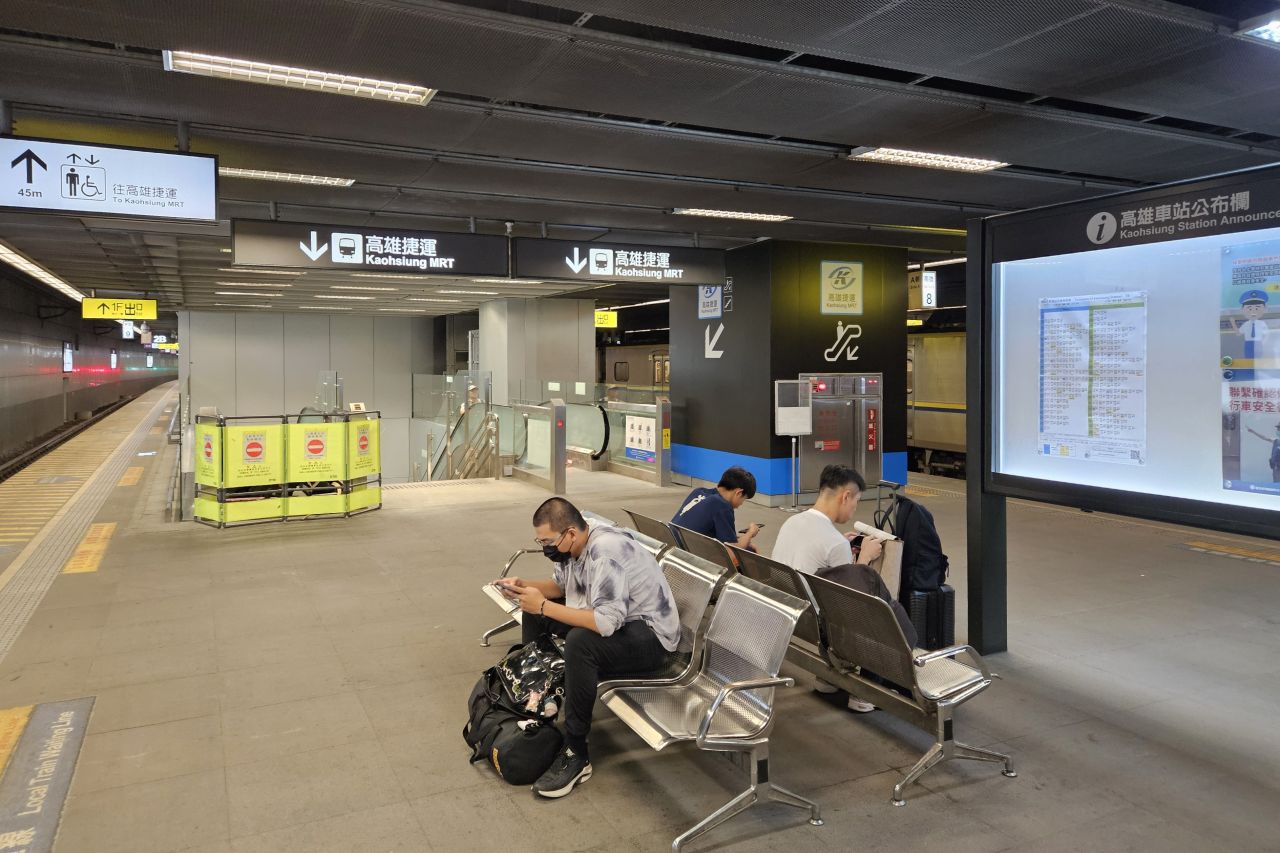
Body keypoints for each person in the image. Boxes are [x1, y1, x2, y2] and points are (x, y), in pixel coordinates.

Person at [495, 497, 680, 798]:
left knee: (580, 644)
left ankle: (576, 752)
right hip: (619, 625)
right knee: (534, 608)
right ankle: (535, 698)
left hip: (651, 640)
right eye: (539, 541)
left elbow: (605, 623)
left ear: (570, 533)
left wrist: (542, 604)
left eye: (547, 541)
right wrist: (524, 586)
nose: (545, 548)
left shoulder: (606, 552)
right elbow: (563, 589)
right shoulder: (572, 547)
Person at [772, 464, 890, 713]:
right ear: (845, 496)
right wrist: (864, 559)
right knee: (880, 612)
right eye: (856, 501)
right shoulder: (834, 542)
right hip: (820, 626)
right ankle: (863, 694)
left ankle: (827, 678)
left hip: (790, 613)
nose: (854, 508)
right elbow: (850, 599)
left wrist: (843, 547)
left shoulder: (792, 521)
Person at [670, 466, 761, 550]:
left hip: (671, 547)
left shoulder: (698, 492)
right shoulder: (722, 505)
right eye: (744, 499)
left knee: (749, 547)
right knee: (752, 551)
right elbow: (731, 551)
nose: (741, 504)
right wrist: (750, 533)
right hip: (686, 555)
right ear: (739, 493)